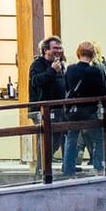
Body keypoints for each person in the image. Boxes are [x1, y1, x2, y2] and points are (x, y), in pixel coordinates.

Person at [59, 41, 106, 177]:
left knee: (71, 138)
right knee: (98, 139)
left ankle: (68, 169)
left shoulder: (70, 69)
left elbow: (67, 88)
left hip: (73, 111)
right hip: (89, 111)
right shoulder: (95, 71)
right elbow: (102, 92)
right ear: (93, 55)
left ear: (78, 53)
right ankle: (99, 167)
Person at [26, 36, 67, 179]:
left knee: (56, 140)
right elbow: (36, 81)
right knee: (44, 141)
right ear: (46, 50)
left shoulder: (61, 64)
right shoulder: (37, 64)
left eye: (60, 48)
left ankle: (45, 167)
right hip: (41, 110)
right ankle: (41, 171)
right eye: (55, 48)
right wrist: (52, 70)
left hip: (58, 109)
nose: (58, 51)